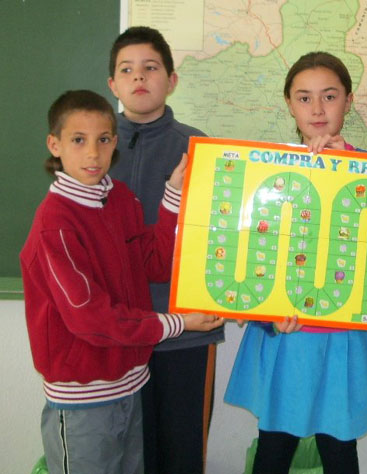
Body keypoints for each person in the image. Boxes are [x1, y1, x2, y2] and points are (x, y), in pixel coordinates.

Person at [20, 90, 223, 474]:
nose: (93, 153)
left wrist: (174, 195)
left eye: (103, 139)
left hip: (131, 386)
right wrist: (181, 322)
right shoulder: (55, 224)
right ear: (55, 144)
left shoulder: (117, 199)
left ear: (115, 142)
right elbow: (92, 319)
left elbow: (155, 263)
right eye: (78, 140)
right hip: (83, 400)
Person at [224, 52, 367, 474]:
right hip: (286, 334)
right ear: (289, 104)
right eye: (304, 98)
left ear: (348, 101)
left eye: (329, 96)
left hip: (342, 336)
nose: (317, 109)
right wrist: (264, 314)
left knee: (339, 451)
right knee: (274, 448)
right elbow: (254, 251)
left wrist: (353, 165)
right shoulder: (270, 172)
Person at [107, 26, 224, 474]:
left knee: (181, 456)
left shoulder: (200, 149)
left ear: (172, 80)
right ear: (112, 85)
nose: (139, 77)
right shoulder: (93, 149)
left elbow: (221, 240)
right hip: (117, 334)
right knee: (128, 458)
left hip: (186, 334)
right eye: (127, 69)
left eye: (151, 68)